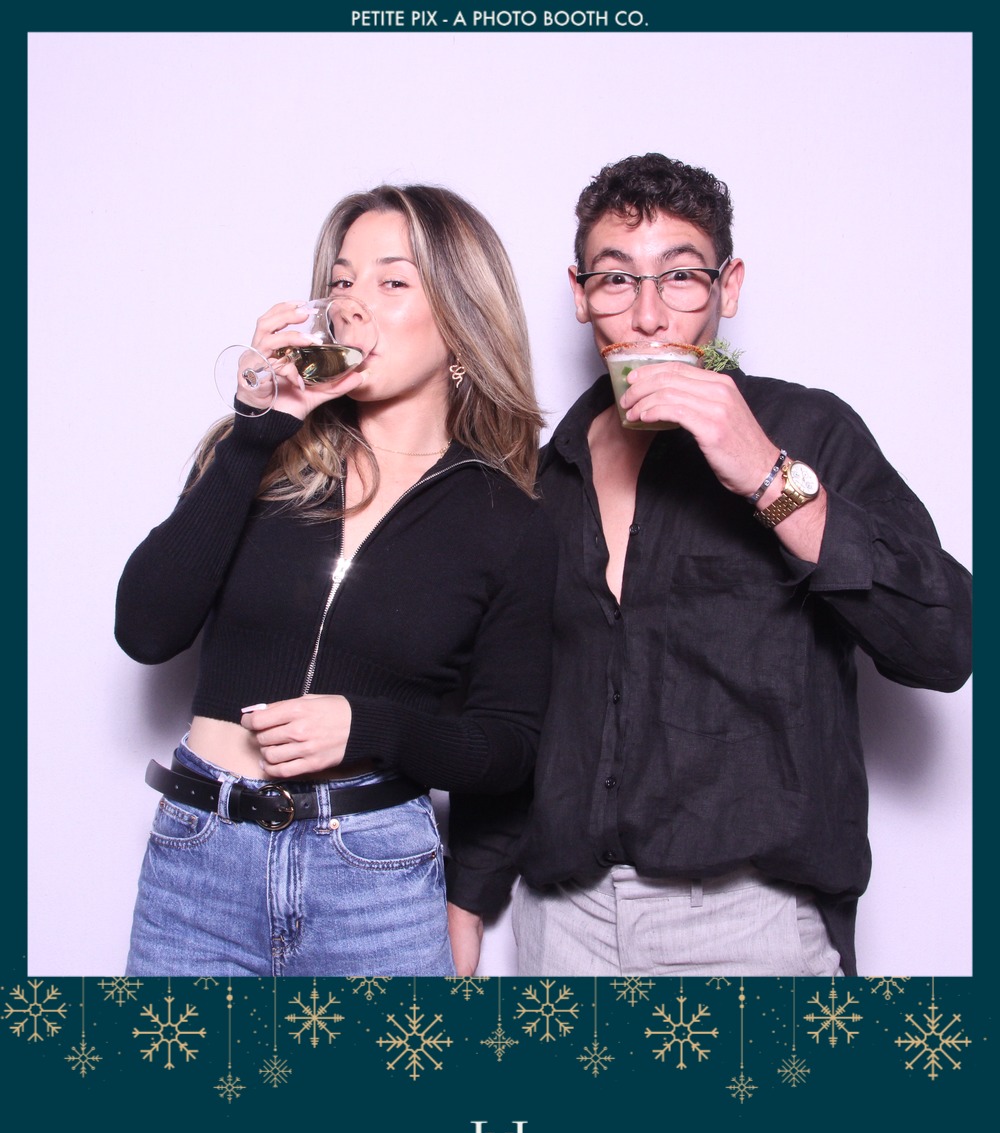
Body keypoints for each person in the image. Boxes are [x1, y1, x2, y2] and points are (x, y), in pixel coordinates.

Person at [445, 153, 972, 977]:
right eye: (616, 281)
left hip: (749, 923)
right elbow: (521, 707)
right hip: (563, 925)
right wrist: (468, 896)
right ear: (581, 295)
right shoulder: (545, 479)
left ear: (727, 288)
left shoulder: (808, 431)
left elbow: (943, 643)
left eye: (681, 277)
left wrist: (767, 478)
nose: (649, 315)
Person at [115, 184, 555, 977]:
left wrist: (373, 728)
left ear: (461, 319)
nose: (353, 305)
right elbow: (145, 631)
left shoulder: (508, 520)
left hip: (372, 877)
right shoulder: (257, 454)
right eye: (342, 281)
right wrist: (254, 436)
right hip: (199, 862)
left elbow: (509, 748)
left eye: (392, 282)